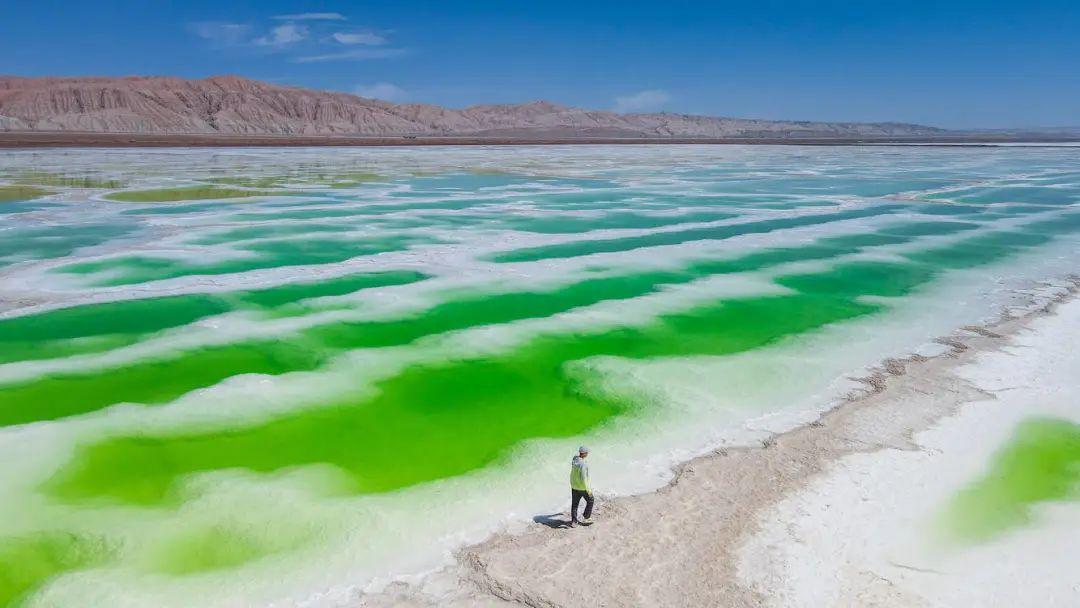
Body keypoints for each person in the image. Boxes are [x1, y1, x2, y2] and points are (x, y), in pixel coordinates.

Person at [569, 446, 593, 527]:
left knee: (574, 504)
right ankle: (586, 517)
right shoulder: (583, 464)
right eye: (587, 453)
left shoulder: (574, 459)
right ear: (585, 454)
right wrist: (588, 490)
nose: (587, 454)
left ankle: (574, 521)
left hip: (574, 486)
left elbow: (576, 457)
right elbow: (584, 478)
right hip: (582, 487)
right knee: (591, 500)